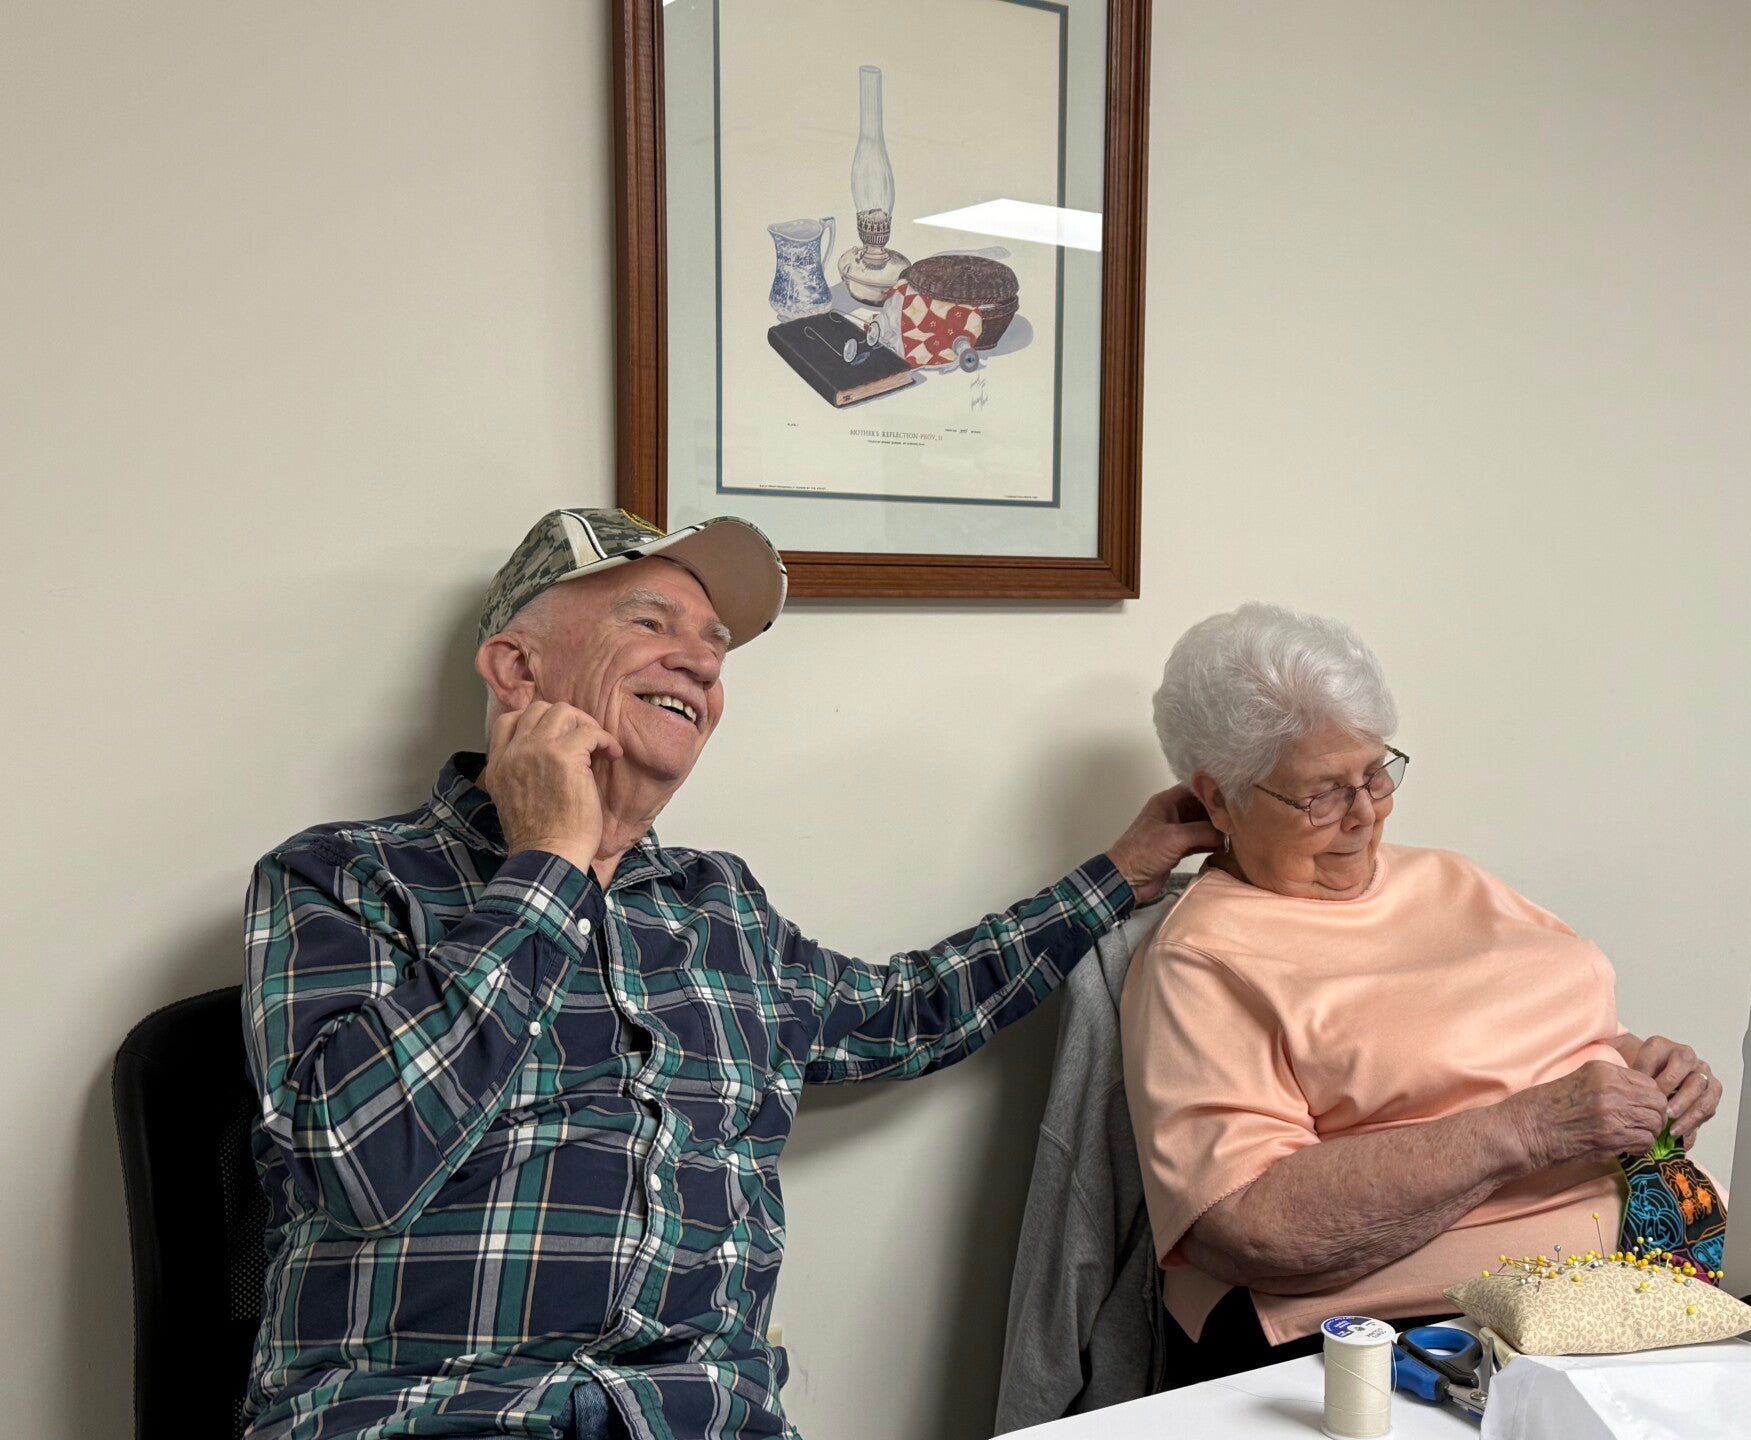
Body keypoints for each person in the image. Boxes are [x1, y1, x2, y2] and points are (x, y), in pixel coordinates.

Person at [239, 508, 1219, 1440]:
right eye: (649, 622)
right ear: (517, 668)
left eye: (714, 645)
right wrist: (549, 861)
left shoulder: (718, 908)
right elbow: (357, 1164)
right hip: (430, 1416)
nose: (703, 662)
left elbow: (907, 1012)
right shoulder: (342, 877)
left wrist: (1116, 877)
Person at [1121, 602, 1724, 1385]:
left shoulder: (1449, 877)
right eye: (1322, 794)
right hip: (1439, 1334)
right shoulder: (1202, 960)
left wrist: (1652, 1070)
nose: (1364, 814)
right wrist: (1533, 1129)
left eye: (1375, 773)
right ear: (1219, 798)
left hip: (1667, 1258)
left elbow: (1565, 1034)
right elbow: (1245, 1225)